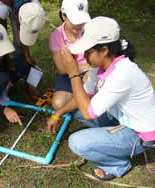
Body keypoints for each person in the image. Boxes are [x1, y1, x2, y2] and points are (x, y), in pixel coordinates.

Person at [60, 16, 155, 180]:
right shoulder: (103, 66)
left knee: (77, 142)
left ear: (104, 50)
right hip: (123, 117)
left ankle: (117, 165)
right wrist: (57, 113)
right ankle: (109, 138)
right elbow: (85, 94)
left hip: (139, 133)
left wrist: (73, 73)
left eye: (88, 51)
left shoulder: (122, 73)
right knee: (77, 111)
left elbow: (89, 112)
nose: (84, 56)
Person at [47, 0, 92, 133]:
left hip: (89, 72)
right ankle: (81, 101)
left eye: (82, 20)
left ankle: (83, 102)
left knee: (90, 79)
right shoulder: (56, 36)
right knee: (58, 103)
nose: (79, 25)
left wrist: (87, 70)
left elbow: (98, 60)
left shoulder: (90, 30)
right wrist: (82, 68)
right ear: (64, 15)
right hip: (68, 74)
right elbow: (61, 68)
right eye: (75, 20)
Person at [0, 0, 46, 97]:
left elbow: (23, 29)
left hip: (19, 5)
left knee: (20, 37)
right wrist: (6, 60)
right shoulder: (2, 8)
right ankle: (4, 76)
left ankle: (23, 71)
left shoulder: (34, 7)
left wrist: (26, 55)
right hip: (3, 4)